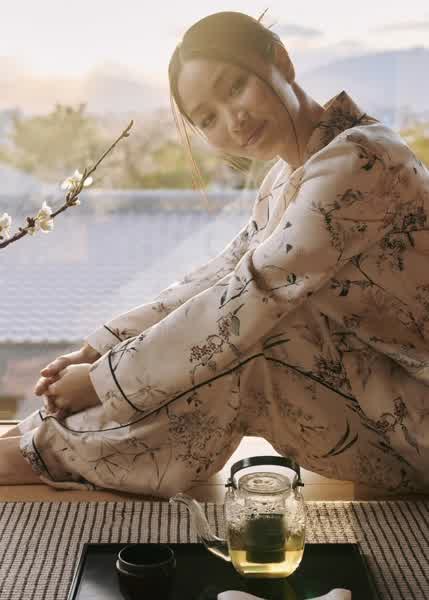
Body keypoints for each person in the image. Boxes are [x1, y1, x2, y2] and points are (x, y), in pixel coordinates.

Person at [1, 10, 428, 496]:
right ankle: (36, 441)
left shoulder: (360, 160)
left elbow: (252, 293)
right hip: (383, 399)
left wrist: (102, 380)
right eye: (208, 118)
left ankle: (40, 455)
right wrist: (99, 348)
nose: (234, 120)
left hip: (413, 415)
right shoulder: (291, 174)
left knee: (254, 343)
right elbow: (221, 273)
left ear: (281, 61)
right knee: (235, 334)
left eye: (235, 87)